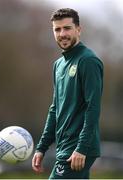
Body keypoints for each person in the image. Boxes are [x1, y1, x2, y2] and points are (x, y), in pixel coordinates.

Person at [32, 8, 104, 179]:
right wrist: (42, 147)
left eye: (67, 28)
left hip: (77, 149)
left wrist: (81, 147)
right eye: (57, 29)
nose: (62, 33)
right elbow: (55, 109)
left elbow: (93, 107)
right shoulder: (58, 65)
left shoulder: (88, 61)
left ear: (78, 29)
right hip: (64, 147)